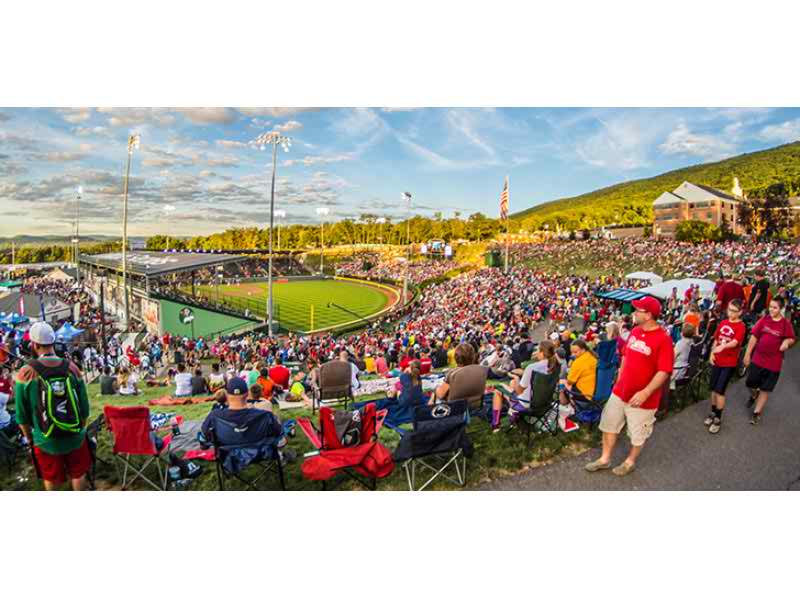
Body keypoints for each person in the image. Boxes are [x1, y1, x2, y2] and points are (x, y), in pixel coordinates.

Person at [585, 296, 673, 477]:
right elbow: (625, 354)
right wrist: (620, 377)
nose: (634, 312)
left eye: (638, 310)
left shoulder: (663, 339)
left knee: (637, 434)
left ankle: (630, 462)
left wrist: (646, 392)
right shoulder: (635, 331)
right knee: (609, 424)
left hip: (643, 399)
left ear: (648, 315)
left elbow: (664, 371)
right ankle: (605, 459)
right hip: (621, 391)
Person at [14, 322, 91, 491]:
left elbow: (21, 415)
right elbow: (85, 409)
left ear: (34, 345)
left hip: (45, 439)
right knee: (78, 474)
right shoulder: (72, 368)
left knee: (51, 477)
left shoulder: (25, 373)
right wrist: (79, 429)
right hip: (75, 436)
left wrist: (30, 439)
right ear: (53, 342)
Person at [743, 298, 796, 425]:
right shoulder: (764, 320)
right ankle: (754, 395)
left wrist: (786, 342)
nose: (771, 310)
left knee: (765, 389)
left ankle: (756, 413)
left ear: (781, 309)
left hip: (773, 363)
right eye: (770, 307)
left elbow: (791, 338)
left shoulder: (785, 324)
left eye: (775, 308)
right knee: (750, 383)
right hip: (758, 359)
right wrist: (747, 354)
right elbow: (754, 337)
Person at [490, 340, 557, 432]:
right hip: (545, 402)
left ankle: (496, 425)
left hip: (527, 404)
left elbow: (519, 391)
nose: (536, 352)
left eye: (537, 350)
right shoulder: (555, 366)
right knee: (512, 382)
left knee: (498, 390)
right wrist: (522, 375)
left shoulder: (532, 367)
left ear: (542, 352)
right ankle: (514, 415)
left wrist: (516, 377)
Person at [704, 299, 746, 434]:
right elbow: (716, 339)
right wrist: (712, 353)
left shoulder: (741, 326)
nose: (730, 313)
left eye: (734, 311)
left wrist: (723, 347)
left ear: (740, 312)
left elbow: (735, 342)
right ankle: (713, 411)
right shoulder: (723, 323)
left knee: (720, 390)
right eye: (729, 309)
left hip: (729, 363)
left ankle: (718, 418)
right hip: (717, 360)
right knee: (713, 389)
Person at [559, 339, 597, 406]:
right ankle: (571, 403)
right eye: (572, 352)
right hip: (593, 390)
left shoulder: (578, 362)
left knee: (562, 382)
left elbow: (570, 381)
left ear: (583, 350)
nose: (573, 354)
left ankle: (565, 404)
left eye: (575, 352)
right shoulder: (592, 356)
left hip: (585, 395)